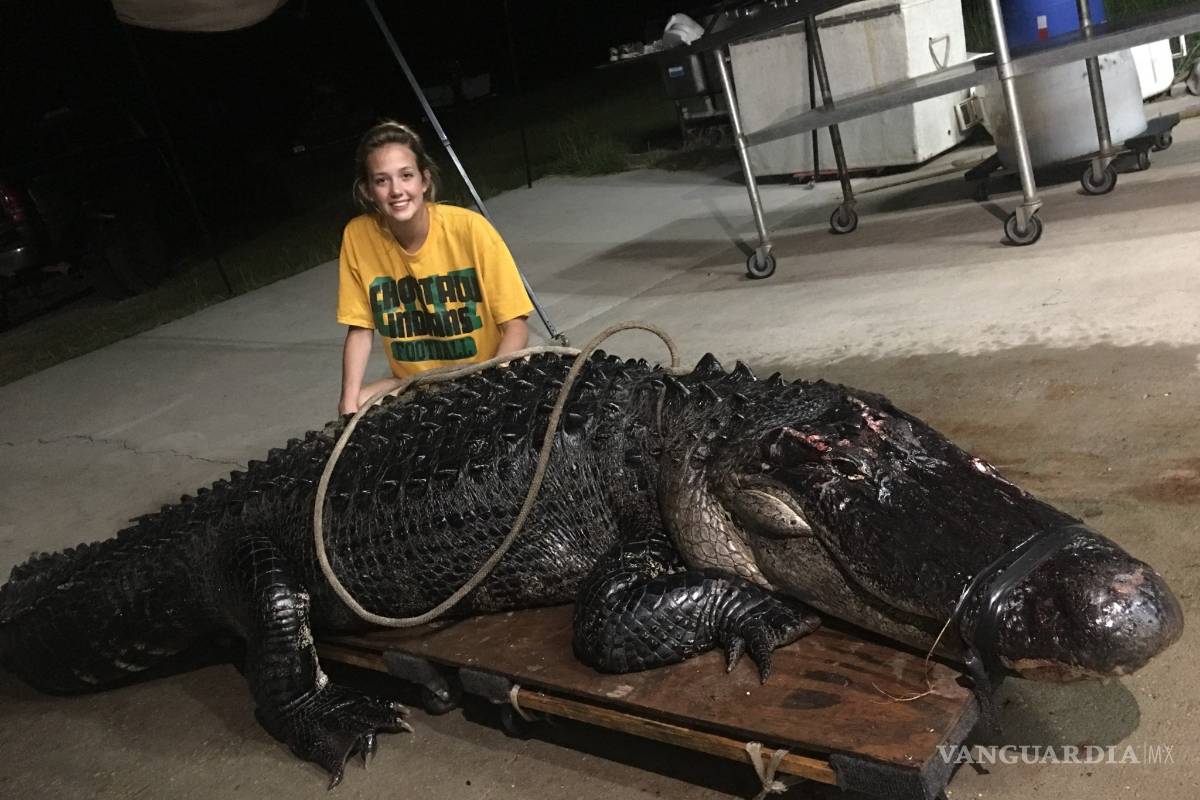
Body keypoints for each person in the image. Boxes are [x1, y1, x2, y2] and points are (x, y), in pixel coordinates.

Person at [336, 121, 533, 415]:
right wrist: (347, 402)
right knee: (360, 404)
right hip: (415, 383)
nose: (396, 190)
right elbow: (361, 329)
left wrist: (493, 382)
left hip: (486, 373)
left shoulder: (470, 228)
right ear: (367, 191)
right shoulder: (357, 236)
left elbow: (515, 325)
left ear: (424, 180)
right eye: (382, 181)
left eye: (406, 176)